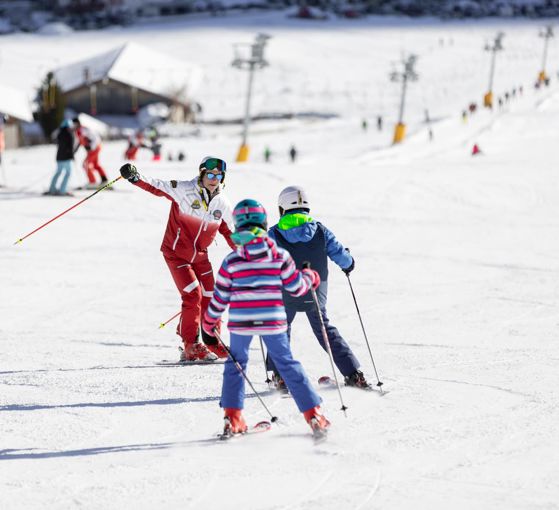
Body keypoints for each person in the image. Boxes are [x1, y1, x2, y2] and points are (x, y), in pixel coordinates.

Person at [201, 199, 330, 438]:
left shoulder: (232, 261)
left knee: (236, 364)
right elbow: (296, 287)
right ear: (264, 223)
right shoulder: (278, 255)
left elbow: (220, 297)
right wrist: (310, 277)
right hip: (272, 319)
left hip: (242, 321)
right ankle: (314, 414)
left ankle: (233, 417)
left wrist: (209, 321)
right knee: (287, 364)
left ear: (238, 226)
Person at [119, 157, 237, 361]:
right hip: (176, 253)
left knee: (211, 294)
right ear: (201, 173)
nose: (214, 179)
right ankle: (191, 344)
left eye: (219, 176)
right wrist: (136, 178)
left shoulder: (223, 203)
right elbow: (158, 186)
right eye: (210, 174)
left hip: (200, 255)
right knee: (193, 295)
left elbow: (230, 231)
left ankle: (212, 339)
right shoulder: (184, 189)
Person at [266, 185, 371, 391]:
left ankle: (281, 376)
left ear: (282, 208)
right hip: (315, 291)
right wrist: (348, 263)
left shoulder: (274, 234)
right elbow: (341, 256)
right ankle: (353, 373)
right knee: (325, 330)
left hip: (286, 292)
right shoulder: (321, 230)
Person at [73, 117, 108, 188]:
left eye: (74, 124)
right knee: (95, 164)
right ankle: (104, 179)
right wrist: (74, 152)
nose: (73, 126)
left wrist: (91, 146)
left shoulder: (83, 130)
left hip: (94, 148)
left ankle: (92, 182)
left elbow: (93, 138)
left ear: (77, 123)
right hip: (94, 148)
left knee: (86, 164)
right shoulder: (80, 130)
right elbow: (80, 142)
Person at [46, 119, 74, 196]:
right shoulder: (69, 134)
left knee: (58, 172)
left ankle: (52, 189)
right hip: (66, 158)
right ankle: (62, 190)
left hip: (59, 157)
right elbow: (70, 147)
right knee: (68, 173)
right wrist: (72, 156)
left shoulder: (60, 133)